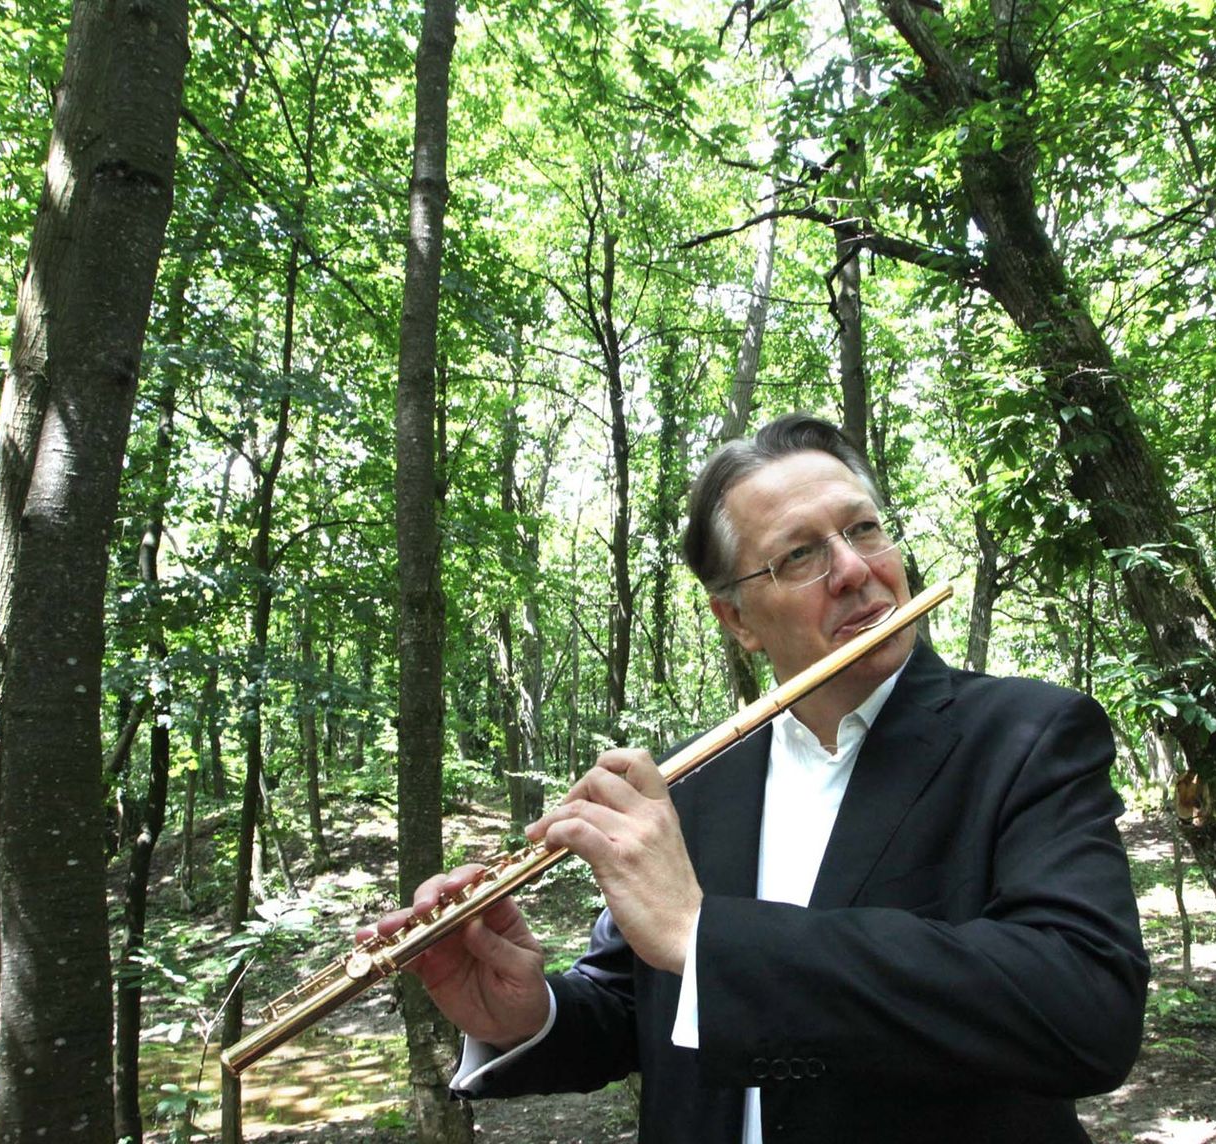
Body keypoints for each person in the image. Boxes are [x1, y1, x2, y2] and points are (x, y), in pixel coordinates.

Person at [369, 413, 1148, 1142]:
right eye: (800, 554)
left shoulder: (1027, 736)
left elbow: (1084, 1010)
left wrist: (707, 935)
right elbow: (639, 1006)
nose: (853, 569)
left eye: (864, 528)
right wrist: (524, 1011)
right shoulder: (694, 779)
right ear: (736, 620)